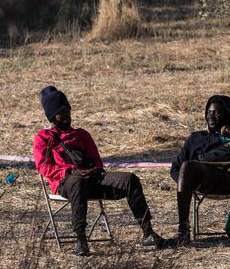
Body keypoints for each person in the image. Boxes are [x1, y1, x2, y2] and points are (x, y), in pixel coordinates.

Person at [33, 86, 161, 255]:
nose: (66, 116)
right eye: (61, 113)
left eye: (68, 111)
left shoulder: (82, 134)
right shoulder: (44, 137)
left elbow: (97, 161)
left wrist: (94, 171)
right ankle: (81, 240)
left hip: (92, 179)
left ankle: (148, 232)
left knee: (130, 179)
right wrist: (71, 171)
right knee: (77, 182)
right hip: (66, 183)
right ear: (52, 116)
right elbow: (43, 167)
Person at [162, 95, 230, 247]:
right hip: (205, 180)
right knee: (187, 166)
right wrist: (186, 183)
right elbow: (176, 168)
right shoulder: (196, 139)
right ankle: (183, 230)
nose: (211, 116)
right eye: (209, 112)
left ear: (228, 115)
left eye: (217, 113)